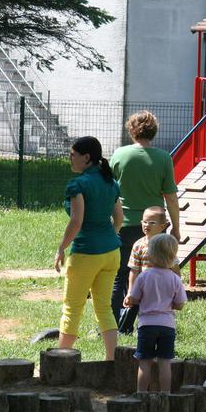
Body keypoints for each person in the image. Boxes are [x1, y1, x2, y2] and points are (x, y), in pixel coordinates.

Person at [110, 110, 180, 332]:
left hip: (123, 224)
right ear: (154, 131)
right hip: (154, 227)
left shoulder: (119, 155)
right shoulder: (163, 158)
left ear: (131, 130)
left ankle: (113, 324)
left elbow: (109, 190)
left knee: (120, 275)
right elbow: (170, 196)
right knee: (151, 274)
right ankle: (144, 321)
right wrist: (176, 227)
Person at [54, 136, 123, 361]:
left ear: (86, 157)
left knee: (72, 308)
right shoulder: (110, 182)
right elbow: (119, 218)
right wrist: (108, 237)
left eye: (73, 154)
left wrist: (61, 248)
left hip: (86, 254)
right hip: (111, 253)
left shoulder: (78, 185)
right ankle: (111, 361)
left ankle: (61, 361)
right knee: (104, 308)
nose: (70, 158)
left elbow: (77, 221)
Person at [123, 233, 187, 393]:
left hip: (146, 325)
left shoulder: (144, 276)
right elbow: (180, 304)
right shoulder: (175, 279)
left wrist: (131, 300)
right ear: (172, 257)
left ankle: (141, 393)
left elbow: (135, 298)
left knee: (144, 362)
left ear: (150, 255)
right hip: (167, 326)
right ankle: (166, 394)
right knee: (165, 363)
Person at [118, 206, 181, 332]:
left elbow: (174, 267)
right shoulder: (138, 245)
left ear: (162, 226)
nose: (147, 225)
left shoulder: (165, 245)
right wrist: (130, 292)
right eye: (144, 222)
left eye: (152, 222)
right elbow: (134, 270)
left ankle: (164, 329)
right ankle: (136, 330)